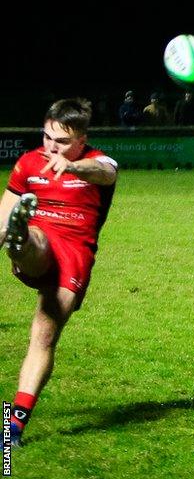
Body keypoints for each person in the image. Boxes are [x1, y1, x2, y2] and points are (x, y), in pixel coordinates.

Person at [0, 99, 118, 448]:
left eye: (62, 141)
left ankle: (15, 428)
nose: (52, 146)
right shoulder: (28, 163)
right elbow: (1, 214)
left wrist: (72, 167)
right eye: (47, 137)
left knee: (44, 335)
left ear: (82, 138)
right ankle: (20, 238)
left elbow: (107, 173)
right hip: (43, 235)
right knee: (31, 239)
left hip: (77, 252)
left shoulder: (99, 161)